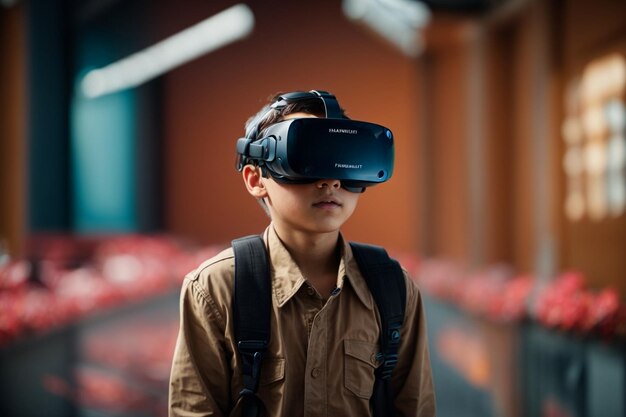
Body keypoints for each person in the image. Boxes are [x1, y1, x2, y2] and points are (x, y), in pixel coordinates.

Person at [168, 90, 436, 417]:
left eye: (343, 160)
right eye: (306, 158)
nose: (330, 181)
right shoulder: (216, 288)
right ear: (256, 178)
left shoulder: (392, 288)